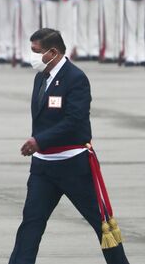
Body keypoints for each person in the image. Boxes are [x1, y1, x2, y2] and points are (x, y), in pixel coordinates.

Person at [8, 28, 131, 264]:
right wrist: (39, 144)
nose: (32, 56)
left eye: (36, 51)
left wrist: (39, 140)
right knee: (31, 225)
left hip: (74, 166)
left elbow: (75, 121)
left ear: (53, 52)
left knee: (102, 224)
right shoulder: (41, 77)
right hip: (43, 168)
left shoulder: (76, 78)